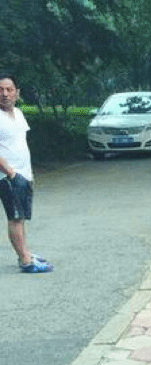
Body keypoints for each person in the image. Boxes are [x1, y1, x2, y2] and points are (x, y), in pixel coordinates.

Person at [0, 73, 53, 273]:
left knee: (21, 218)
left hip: (24, 175)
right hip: (7, 177)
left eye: (9, 89)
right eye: (0, 90)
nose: (5, 94)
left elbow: (21, 145)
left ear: (17, 93)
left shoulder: (19, 114)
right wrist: (11, 174)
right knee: (14, 217)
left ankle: (26, 253)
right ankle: (25, 261)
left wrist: (29, 174)